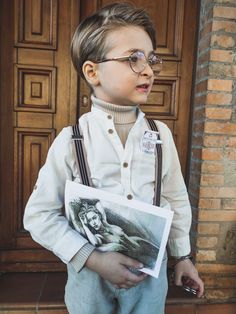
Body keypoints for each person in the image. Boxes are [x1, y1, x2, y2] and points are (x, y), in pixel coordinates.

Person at [23, 2, 204, 314]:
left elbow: (174, 199)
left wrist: (183, 256)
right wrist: (93, 259)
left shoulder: (161, 135)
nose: (147, 69)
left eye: (151, 59)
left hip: (149, 280)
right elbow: (38, 216)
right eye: (133, 58)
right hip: (90, 279)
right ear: (93, 71)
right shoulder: (71, 141)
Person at [69, 198, 159, 269]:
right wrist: (84, 224)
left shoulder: (105, 222)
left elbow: (97, 201)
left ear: (99, 216)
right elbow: (95, 243)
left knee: (158, 256)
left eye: (94, 218)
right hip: (135, 258)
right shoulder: (98, 236)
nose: (93, 222)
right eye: (89, 221)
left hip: (138, 242)